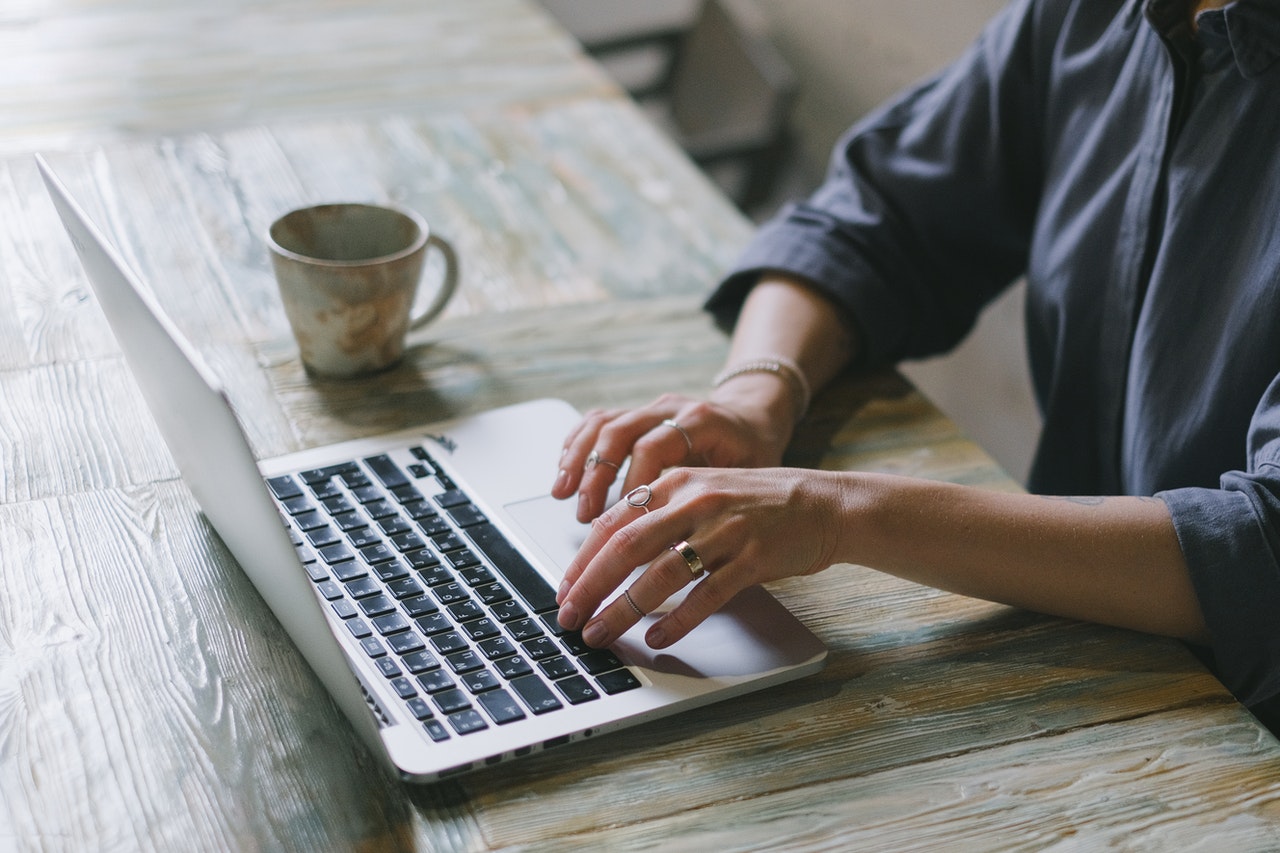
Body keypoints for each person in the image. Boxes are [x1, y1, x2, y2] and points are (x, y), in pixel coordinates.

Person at [550, 0, 1280, 731]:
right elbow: (877, 219)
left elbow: (1260, 553)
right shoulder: (1091, 17)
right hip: (1080, 655)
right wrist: (757, 391)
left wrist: (836, 511)